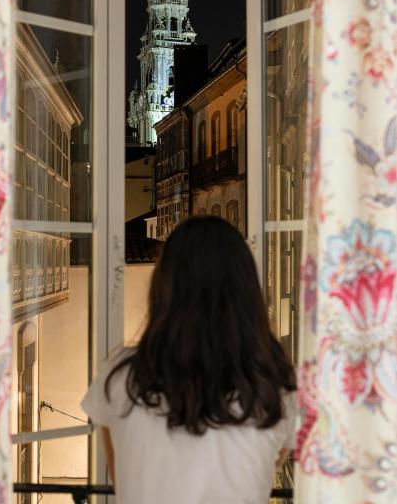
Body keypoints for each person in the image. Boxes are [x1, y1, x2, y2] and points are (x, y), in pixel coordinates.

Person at [82, 216, 297, 504]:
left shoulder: (121, 377)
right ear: (247, 290)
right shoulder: (276, 386)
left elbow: (121, 476)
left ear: (164, 287)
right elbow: (267, 470)